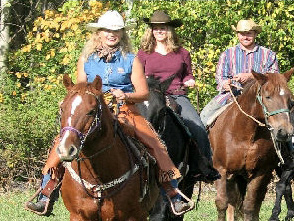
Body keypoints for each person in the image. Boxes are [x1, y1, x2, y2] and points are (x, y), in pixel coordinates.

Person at [25, 10, 193, 216]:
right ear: (99, 33)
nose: (111, 34)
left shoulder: (132, 59)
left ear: (122, 33)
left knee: (154, 142)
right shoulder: (86, 58)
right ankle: (46, 191)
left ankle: (172, 192)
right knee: (62, 140)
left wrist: (124, 95)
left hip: (124, 111)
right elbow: (80, 87)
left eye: (116, 30)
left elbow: (143, 93)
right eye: (107, 30)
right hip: (90, 111)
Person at [137, 10, 220, 182]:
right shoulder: (143, 53)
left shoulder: (182, 53)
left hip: (176, 94)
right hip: (150, 97)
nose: (159, 31)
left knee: (197, 125)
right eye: (156, 28)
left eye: (163, 28)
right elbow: (137, 77)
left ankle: (203, 166)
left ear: (170, 30)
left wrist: (190, 80)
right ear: (151, 30)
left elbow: (187, 74)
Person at [200, 19, 279, 126]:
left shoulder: (268, 54)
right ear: (237, 35)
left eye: (249, 33)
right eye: (242, 34)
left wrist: (251, 76)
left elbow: (274, 77)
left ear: (255, 34)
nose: (245, 37)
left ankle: (286, 142)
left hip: (262, 97)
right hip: (231, 96)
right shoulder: (227, 54)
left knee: (283, 123)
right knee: (204, 117)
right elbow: (220, 76)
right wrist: (225, 84)